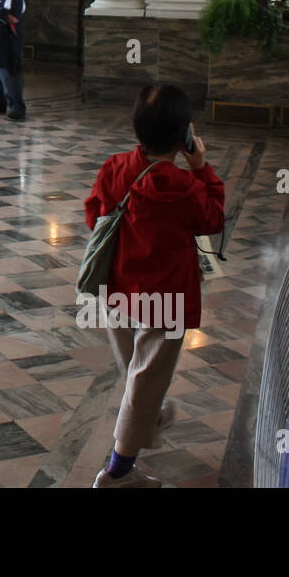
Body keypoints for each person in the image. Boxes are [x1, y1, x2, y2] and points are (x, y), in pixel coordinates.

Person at [84, 84, 224, 488]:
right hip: (165, 298)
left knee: (137, 370)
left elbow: (95, 215)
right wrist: (202, 169)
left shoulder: (115, 168)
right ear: (183, 137)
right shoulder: (186, 187)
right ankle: (117, 473)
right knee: (145, 377)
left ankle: (151, 412)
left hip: (117, 289)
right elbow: (213, 220)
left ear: (136, 130)